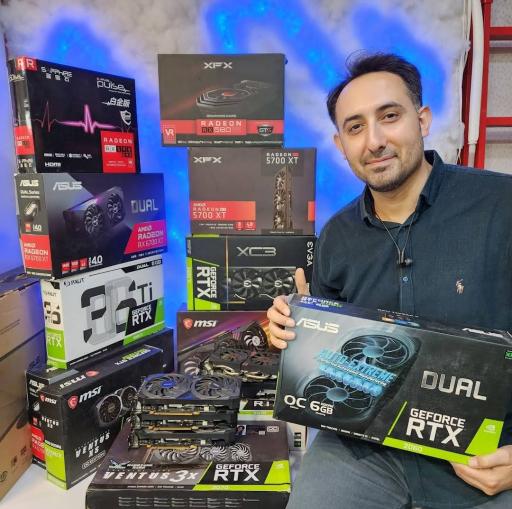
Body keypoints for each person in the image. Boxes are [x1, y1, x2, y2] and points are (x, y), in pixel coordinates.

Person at [267, 53, 512, 509]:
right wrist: (293, 328)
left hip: (485, 451)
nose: (375, 140)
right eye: (355, 127)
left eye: (390, 116)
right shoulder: (337, 236)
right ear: (341, 144)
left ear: (423, 119)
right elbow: (329, 349)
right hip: (365, 445)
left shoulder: (501, 205)